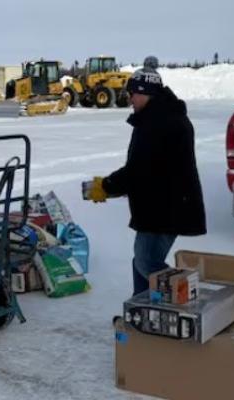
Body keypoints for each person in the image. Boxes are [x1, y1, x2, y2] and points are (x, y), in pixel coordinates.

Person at [85, 69, 206, 295]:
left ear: (146, 93)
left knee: (146, 263)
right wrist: (115, 186)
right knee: (143, 261)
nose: (129, 98)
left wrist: (107, 186)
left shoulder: (158, 122)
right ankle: (141, 308)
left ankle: (187, 297)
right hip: (164, 202)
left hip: (165, 207)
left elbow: (141, 169)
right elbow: (152, 169)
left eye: (132, 93)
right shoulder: (163, 116)